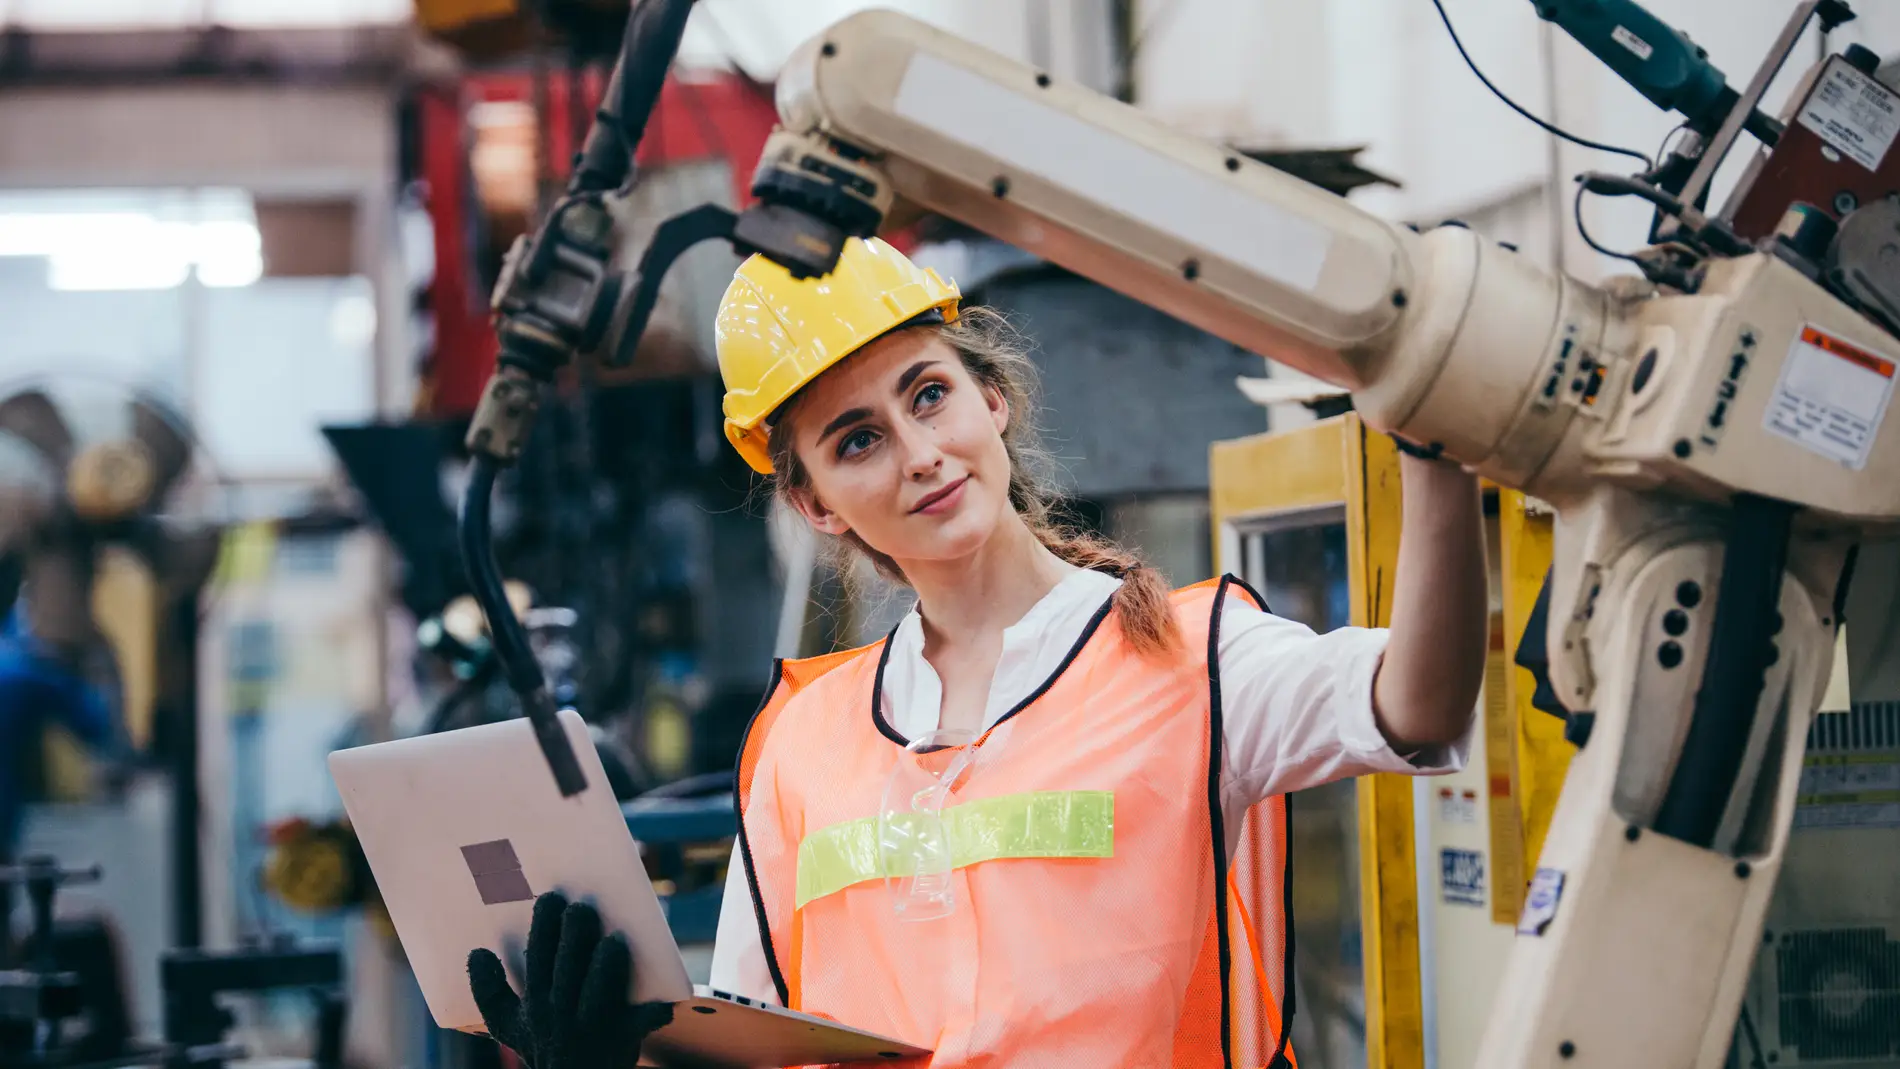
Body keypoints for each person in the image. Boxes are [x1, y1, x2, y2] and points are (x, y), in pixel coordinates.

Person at [466, 238, 1489, 1068]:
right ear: (815, 501)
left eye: (927, 394)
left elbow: (1418, 703)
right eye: (856, 440)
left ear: (989, 397)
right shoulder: (799, 744)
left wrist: (1437, 462)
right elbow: (750, 1041)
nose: (919, 454)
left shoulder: (1193, 659)